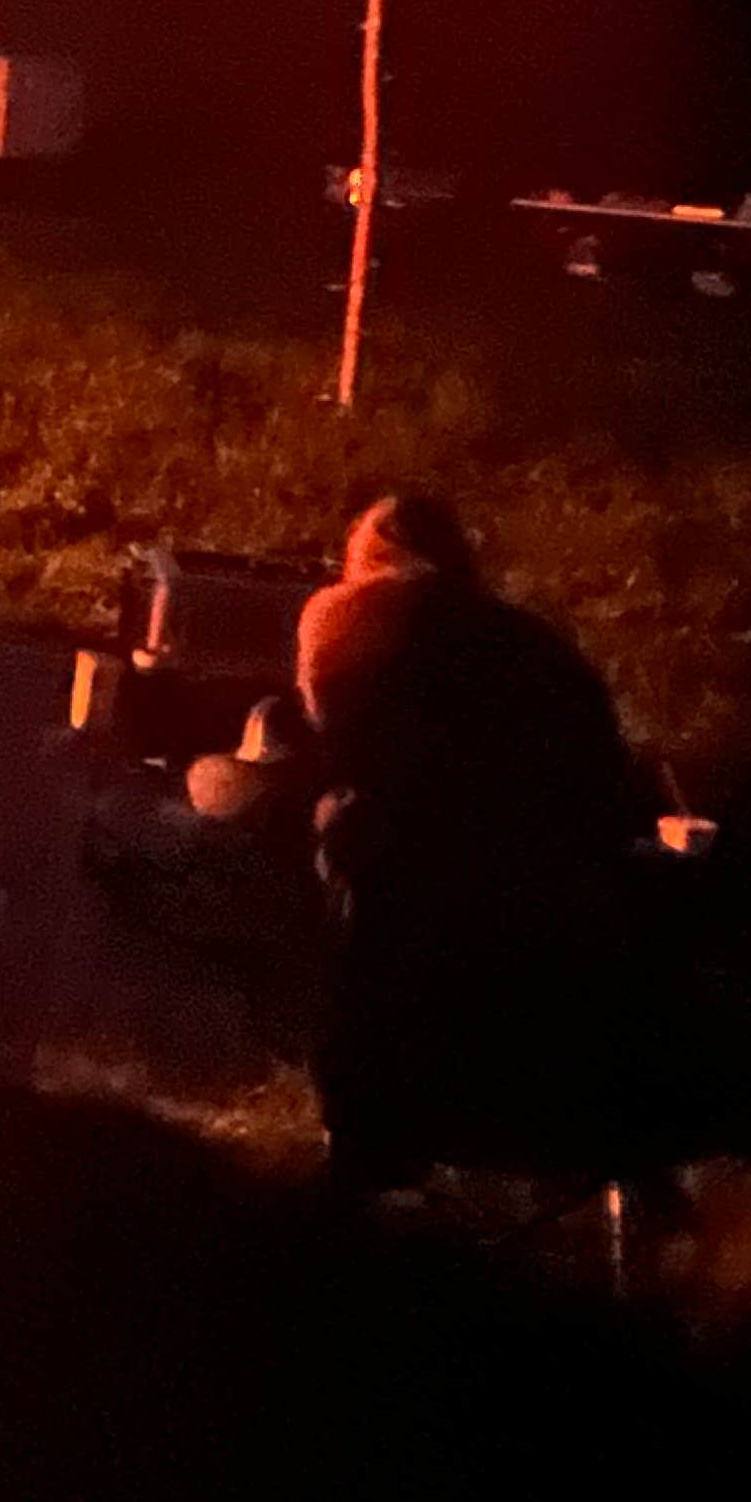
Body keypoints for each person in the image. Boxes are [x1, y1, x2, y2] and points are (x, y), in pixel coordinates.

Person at [296, 494, 650, 1190]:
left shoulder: (343, 614)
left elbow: (326, 726)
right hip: (565, 1036)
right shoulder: (538, 644)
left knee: (339, 825)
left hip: (416, 978)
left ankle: (361, 1145)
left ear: (365, 557)